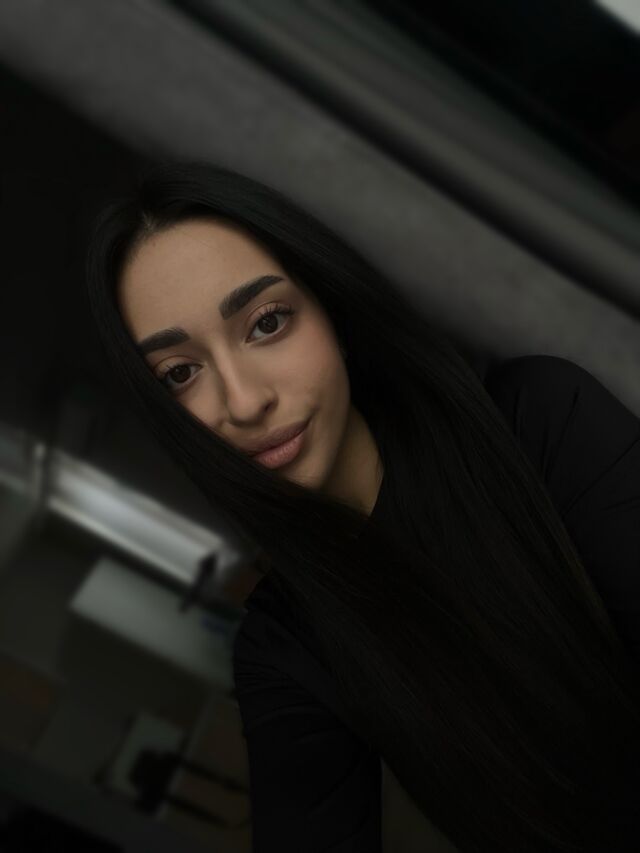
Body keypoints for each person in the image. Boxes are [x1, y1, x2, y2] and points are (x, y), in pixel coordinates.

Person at [85, 160, 640, 852]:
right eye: (180, 373)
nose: (245, 401)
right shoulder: (286, 646)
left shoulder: (540, 421)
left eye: (267, 322)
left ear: (333, 310)